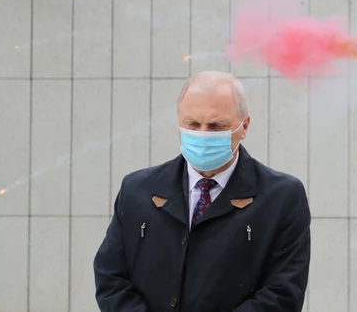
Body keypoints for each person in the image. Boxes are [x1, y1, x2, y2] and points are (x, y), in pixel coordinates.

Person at [93, 71, 311, 312]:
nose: (203, 134)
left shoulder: (281, 198)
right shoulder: (137, 191)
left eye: (217, 125)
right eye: (193, 124)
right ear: (179, 123)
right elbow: (111, 277)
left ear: (244, 126)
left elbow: (283, 294)